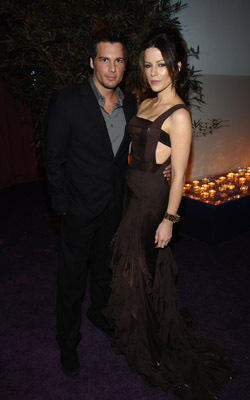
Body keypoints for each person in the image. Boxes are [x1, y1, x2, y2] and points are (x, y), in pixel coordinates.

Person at [104, 26, 232, 399]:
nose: (154, 72)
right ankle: (147, 330)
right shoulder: (145, 102)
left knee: (133, 270)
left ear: (176, 66)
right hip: (132, 192)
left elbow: (180, 175)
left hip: (151, 204)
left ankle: (151, 347)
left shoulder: (179, 115)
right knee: (141, 268)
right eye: (147, 65)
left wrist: (170, 219)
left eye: (161, 65)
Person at [44, 27, 172, 378]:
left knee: (104, 271)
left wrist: (166, 166)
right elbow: (53, 159)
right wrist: (63, 206)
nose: (112, 68)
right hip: (78, 209)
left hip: (115, 208)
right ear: (92, 62)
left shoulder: (132, 103)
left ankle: (99, 312)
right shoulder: (67, 101)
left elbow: (145, 146)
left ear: (125, 65)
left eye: (118, 60)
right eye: (104, 59)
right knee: (71, 281)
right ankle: (67, 342)